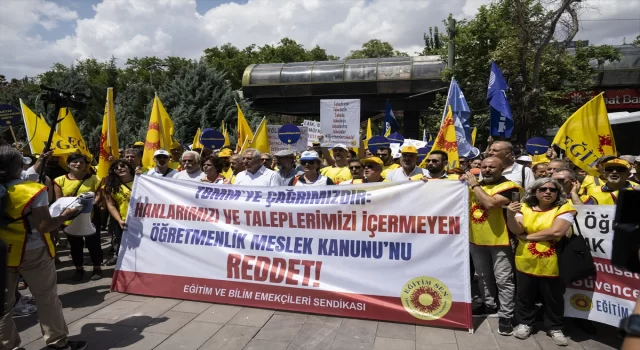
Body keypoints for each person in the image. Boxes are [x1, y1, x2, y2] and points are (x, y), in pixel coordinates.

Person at [0, 146, 88, 350]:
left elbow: (30, 174)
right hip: (32, 251)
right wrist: (66, 215)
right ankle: (57, 343)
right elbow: (44, 226)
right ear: (17, 166)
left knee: (3, 306)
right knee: (46, 299)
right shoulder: (32, 190)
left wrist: (41, 159)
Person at [506, 178, 576, 346]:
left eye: (552, 190)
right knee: (525, 293)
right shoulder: (523, 208)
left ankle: (555, 327)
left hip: (554, 258)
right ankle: (524, 323)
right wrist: (509, 214)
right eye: (543, 189)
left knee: (553, 295)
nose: (547, 192)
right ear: (535, 192)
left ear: (558, 193)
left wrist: (527, 237)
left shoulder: (565, 207)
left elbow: (556, 231)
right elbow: (517, 228)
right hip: (526, 258)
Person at [460, 157, 519, 336]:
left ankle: (506, 316)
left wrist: (474, 185)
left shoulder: (510, 187)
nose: (486, 170)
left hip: (500, 241)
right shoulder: (475, 185)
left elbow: (490, 203)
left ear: (502, 169)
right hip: (476, 239)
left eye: (492, 167)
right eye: (484, 166)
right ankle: (489, 305)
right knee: (483, 277)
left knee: (503, 279)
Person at [53, 154, 103, 282]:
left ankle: (97, 268)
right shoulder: (59, 181)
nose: (78, 165)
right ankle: (79, 269)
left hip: (90, 217)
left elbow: (98, 195)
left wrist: (92, 204)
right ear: (68, 164)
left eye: (81, 162)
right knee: (75, 245)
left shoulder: (95, 179)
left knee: (94, 244)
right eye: (74, 162)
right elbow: (59, 200)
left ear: (86, 165)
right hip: (70, 218)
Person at [103, 160, 135, 266]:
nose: (120, 168)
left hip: (143, 219)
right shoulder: (110, 186)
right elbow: (111, 205)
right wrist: (119, 220)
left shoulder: (141, 181)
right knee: (125, 246)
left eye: (123, 166)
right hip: (124, 220)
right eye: (116, 168)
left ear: (130, 167)